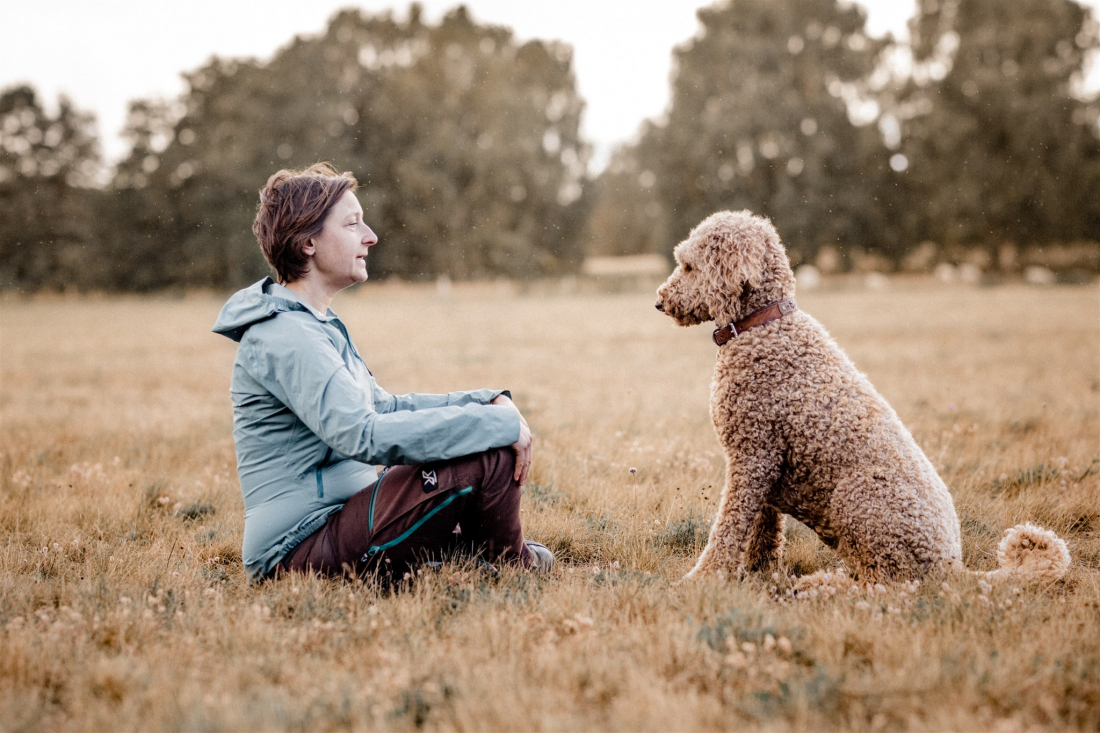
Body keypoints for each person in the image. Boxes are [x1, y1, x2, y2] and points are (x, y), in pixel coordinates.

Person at [212, 163, 552, 583]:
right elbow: (363, 435)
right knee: (485, 452)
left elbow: (385, 406)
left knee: (483, 438)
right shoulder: (284, 334)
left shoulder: (314, 322)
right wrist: (494, 424)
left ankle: (479, 556)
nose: (370, 236)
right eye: (353, 224)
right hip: (295, 551)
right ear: (308, 242)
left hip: (340, 520)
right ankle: (509, 567)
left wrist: (485, 401)